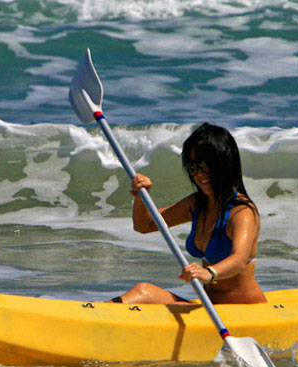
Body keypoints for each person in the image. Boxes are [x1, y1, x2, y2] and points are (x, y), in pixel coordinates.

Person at [109, 122, 266, 305]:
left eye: (205, 166)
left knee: (144, 294)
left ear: (224, 164)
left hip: (244, 309)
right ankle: (93, 317)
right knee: (143, 291)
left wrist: (209, 273)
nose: (199, 174)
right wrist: (140, 197)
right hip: (210, 307)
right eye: (193, 167)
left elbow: (239, 260)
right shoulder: (198, 204)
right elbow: (144, 225)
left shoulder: (242, 212)